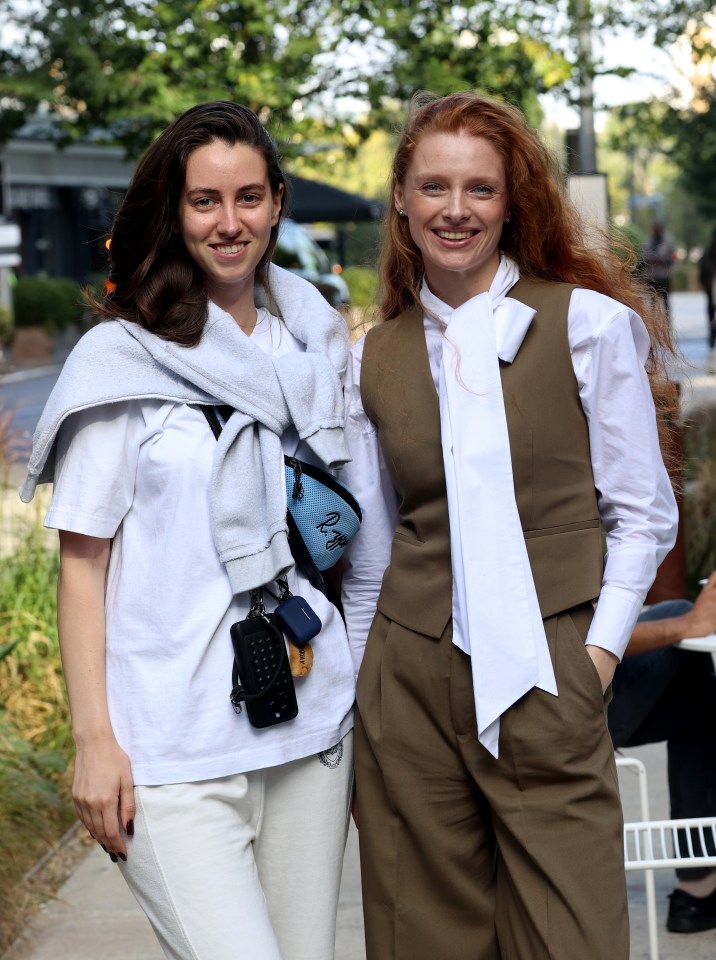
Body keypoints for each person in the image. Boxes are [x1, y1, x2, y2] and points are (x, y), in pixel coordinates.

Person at [339, 91, 678, 960]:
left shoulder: (589, 326)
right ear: (404, 204)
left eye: (480, 189)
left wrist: (595, 656)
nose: (456, 210)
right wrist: (362, 695)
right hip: (408, 684)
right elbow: (375, 547)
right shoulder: (371, 355)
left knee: (576, 938)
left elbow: (642, 516)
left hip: (548, 663)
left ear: (511, 201)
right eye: (435, 187)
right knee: (425, 941)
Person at [20, 101, 355, 960]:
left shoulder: (311, 348)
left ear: (278, 203)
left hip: (309, 729)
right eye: (205, 201)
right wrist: (94, 741)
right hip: (171, 752)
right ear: (174, 211)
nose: (229, 221)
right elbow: (83, 568)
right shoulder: (124, 359)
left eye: (249, 197)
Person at [610, 572, 716, 934]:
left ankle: (697, 889)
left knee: (698, 699)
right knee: (682, 617)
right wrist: (688, 624)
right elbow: (584, 633)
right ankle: (697, 888)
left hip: (561, 683)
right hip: (561, 700)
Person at [642, 221, 676, 318]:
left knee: (665, 301)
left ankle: (668, 322)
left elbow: (673, 259)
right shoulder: (648, 241)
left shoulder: (668, 242)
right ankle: (652, 322)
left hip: (664, 277)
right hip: (651, 277)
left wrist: (662, 261)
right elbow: (643, 256)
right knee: (652, 303)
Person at [698, 228, 716, 371]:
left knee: (711, 324)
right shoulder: (708, 253)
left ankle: (711, 355)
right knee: (711, 324)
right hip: (711, 293)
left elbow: (701, 272)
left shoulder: (708, 253)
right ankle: (710, 355)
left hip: (711, 293)